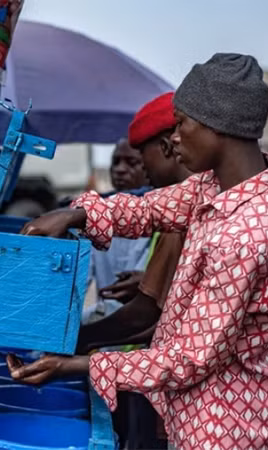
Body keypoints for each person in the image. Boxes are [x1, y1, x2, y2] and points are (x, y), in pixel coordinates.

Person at [9, 53, 268, 450]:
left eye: (181, 123)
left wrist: (76, 364)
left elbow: (190, 358)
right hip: (198, 410)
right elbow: (151, 209)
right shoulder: (217, 186)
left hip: (222, 425)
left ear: (217, 125)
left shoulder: (247, 236)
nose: (173, 137)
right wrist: (76, 214)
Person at [77, 91, 192, 450]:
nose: (142, 171)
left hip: (163, 378)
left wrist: (81, 343)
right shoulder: (182, 208)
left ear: (168, 148)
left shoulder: (182, 215)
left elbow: (147, 313)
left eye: (142, 159)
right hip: (156, 369)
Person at [81, 139, 153, 326]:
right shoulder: (96, 218)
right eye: (116, 162)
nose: (120, 169)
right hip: (107, 324)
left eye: (131, 163)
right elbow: (79, 282)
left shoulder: (163, 219)